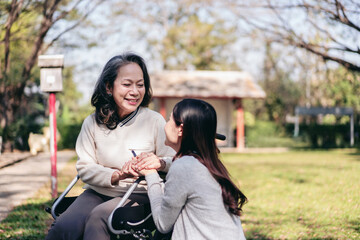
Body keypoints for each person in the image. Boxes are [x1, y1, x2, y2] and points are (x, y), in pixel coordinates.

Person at [46, 52, 175, 240]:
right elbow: (85, 168)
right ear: (108, 87)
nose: (135, 91)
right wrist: (117, 174)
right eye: (127, 84)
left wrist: (159, 163)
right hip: (98, 192)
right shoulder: (92, 123)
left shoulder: (154, 121)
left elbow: (174, 161)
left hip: (140, 194)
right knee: (64, 226)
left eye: (140, 84)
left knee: (99, 219)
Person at [136, 98, 248, 240]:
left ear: (181, 129)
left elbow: (162, 224)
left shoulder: (184, 166)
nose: (165, 125)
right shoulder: (210, 164)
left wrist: (150, 174)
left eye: (169, 119)